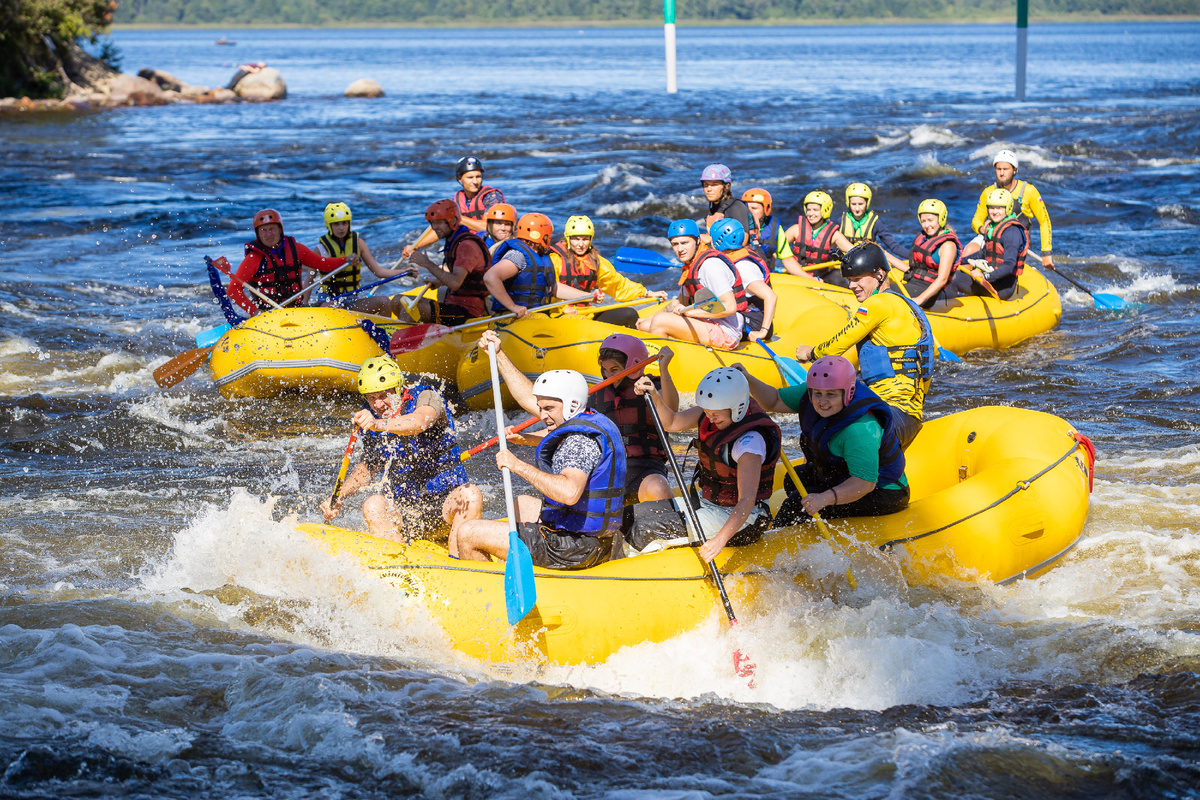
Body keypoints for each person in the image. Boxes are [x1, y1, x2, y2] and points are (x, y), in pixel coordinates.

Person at [450, 361, 627, 570]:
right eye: (541, 408)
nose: (541, 416)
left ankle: (486, 589)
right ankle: (509, 561)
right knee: (522, 503)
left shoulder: (579, 442)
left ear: (572, 404)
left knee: (468, 532)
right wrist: (498, 354)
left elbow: (569, 493)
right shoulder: (587, 419)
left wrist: (517, 466)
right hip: (587, 537)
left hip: (574, 548)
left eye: (548, 408)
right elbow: (532, 405)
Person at [479, 329, 677, 506]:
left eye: (614, 370)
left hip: (644, 469)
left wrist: (664, 369)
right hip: (605, 470)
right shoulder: (595, 396)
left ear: (634, 365)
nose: (608, 375)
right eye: (605, 369)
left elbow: (672, 414)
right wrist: (499, 356)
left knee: (658, 488)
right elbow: (535, 401)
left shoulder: (653, 388)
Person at [320, 355, 480, 544]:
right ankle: (396, 563)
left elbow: (420, 421)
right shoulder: (371, 416)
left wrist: (377, 424)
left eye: (382, 396)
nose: (378, 405)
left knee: (470, 494)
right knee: (373, 504)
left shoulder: (425, 397)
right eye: (371, 398)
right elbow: (367, 468)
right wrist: (338, 496)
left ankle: (458, 556)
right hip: (406, 511)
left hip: (447, 505)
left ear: (398, 388)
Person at [736, 355, 909, 524]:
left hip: (883, 491)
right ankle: (810, 525)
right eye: (817, 394)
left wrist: (823, 499)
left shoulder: (860, 430)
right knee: (793, 479)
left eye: (831, 395)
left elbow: (865, 483)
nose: (822, 401)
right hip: (844, 475)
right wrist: (748, 379)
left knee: (795, 505)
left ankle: (787, 535)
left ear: (848, 393)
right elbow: (774, 400)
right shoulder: (810, 393)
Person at [795, 242, 935, 449]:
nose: (852, 286)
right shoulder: (905, 304)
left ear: (879, 274)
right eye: (849, 280)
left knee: (813, 415)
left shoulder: (876, 304)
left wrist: (811, 352)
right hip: (909, 416)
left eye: (857, 279)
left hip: (891, 414)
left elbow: (839, 344)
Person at [644, 366, 781, 563]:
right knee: (636, 515)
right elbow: (672, 422)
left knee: (646, 530)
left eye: (715, 413)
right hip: (709, 503)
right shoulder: (714, 411)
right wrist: (654, 395)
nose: (710, 418)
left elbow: (746, 501)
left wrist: (719, 540)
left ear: (737, 406)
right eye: (707, 412)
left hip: (745, 520)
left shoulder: (749, 443)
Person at [635, 218, 749, 351]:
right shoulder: (690, 268)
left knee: (660, 321)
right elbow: (678, 302)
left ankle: (663, 363)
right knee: (645, 325)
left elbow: (730, 307)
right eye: (675, 244)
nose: (680, 249)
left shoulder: (710, 265)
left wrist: (693, 313)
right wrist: (648, 318)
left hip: (726, 331)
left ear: (698, 241)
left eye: (684, 243)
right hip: (706, 323)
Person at [228, 208, 359, 314]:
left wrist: (345, 260)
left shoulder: (296, 249)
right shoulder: (253, 259)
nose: (268, 234)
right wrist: (255, 312)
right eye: (263, 230)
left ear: (280, 229)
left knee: (330, 306)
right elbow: (233, 290)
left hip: (296, 309)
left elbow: (323, 264)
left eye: (272, 229)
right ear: (258, 234)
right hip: (268, 314)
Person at [548, 215, 669, 328]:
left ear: (590, 239)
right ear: (568, 239)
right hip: (558, 314)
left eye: (585, 239)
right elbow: (549, 289)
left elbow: (618, 285)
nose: (580, 244)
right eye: (576, 239)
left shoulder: (595, 261)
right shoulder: (555, 260)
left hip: (587, 313)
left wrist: (647, 293)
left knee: (629, 314)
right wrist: (563, 309)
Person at [484, 213, 600, 318]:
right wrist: (513, 307)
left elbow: (554, 287)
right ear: (542, 235)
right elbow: (490, 277)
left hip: (535, 316)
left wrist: (589, 297)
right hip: (511, 317)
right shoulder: (518, 255)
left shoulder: (541, 257)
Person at [312, 202, 413, 316]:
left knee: (384, 302)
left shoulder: (358, 244)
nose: (341, 228)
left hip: (351, 301)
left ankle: (385, 331)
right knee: (336, 309)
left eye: (344, 223)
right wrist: (304, 305)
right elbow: (309, 281)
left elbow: (379, 272)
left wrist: (405, 272)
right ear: (329, 225)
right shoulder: (320, 249)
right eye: (336, 224)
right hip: (326, 302)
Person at [400, 156, 506, 258]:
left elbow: (489, 227)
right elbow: (441, 229)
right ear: (460, 178)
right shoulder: (456, 200)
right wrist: (416, 246)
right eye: (470, 177)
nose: (475, 181)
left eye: (478, 177)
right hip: (469, 248)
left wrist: (458, 218)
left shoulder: (492, 197)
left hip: (491, 247)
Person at [407, 199, 492, 326]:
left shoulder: (466, 245)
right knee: (398, 301)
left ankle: (401, 343)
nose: (435, 227)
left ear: (453, 221)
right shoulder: (454, 241)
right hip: (454, 305)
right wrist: (440, 281)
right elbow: (463, 280)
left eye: (440, 222)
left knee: (410, 308)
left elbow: (455, 283)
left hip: (467, 313)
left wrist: (427, 263)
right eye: (432, 223)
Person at [971, 149, 1053, 269]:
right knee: (969, 250)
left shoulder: (1029, 191)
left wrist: (1046, 253)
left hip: (1015, 243)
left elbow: (1044, 221)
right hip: (991, 239)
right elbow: (976, 221)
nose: (1002, 173)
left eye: (1006, 169)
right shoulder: (988, 192)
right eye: (999, 169)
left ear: (1014, 170)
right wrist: (983, 229)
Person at [709, 218, 777, 343]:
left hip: (755, 321)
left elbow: (771, 296)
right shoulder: (735, 258)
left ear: (718, 241)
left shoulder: (743, 268)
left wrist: (763, 331)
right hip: (746, 315)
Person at [956, 188, 1027, 301]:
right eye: (991, 208)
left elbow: (1009, 266)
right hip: (992, 279)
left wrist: (984, 276)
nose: (994, 211)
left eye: (999, 208)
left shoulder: (1012, 233)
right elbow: (983, 254)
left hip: (1003, 287)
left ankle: (940, 309)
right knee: (955, 273)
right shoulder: (993, 228)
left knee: (953, 278)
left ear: (1007, 208)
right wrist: (957, 261)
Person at [897, 198, 961, 309]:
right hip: (913, 284)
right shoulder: (923, 239)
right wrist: (884, 254)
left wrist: (919, 299)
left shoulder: (948, 246)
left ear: (941, 219)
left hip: (926, 294)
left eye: (930, 220)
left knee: (885, 294)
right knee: (881, 287)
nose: (927, 225)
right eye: (923, 221)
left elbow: (942, 279)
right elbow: (911, 269)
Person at [784, 190, 856, 286]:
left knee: (839, 276)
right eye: (808, 210)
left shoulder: (834, 235)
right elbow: (776, 249)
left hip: (820, 278)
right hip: (796, 274)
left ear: (825, 210)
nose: (810, 213)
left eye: (815, 210)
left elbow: (854, 252)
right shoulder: (795, 230)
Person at [838, 182, 907, 266]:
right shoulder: (840, 221)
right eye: (853, 204)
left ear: (867, 203)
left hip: (866, 264)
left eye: (860, 204)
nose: (857, 208)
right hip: (845, 264)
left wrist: (913, 257)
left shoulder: (875, 222)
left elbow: (894, 246)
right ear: (848, 203)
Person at [741, 188, 801, 275]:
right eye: (746, 208)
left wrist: (811, 279)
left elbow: (787, 260)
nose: (749, 212)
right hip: (743, 274)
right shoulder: (736, 227)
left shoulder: (775, 228)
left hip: (765, 275)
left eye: (754, 208)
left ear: (766, 209)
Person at [700, 163, 752, 238]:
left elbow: (743, 240)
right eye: (706, 185)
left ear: (726, 187)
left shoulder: (737, 207)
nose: (709, 189)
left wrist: (711, 239)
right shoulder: (714, 208)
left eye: (714, 185)